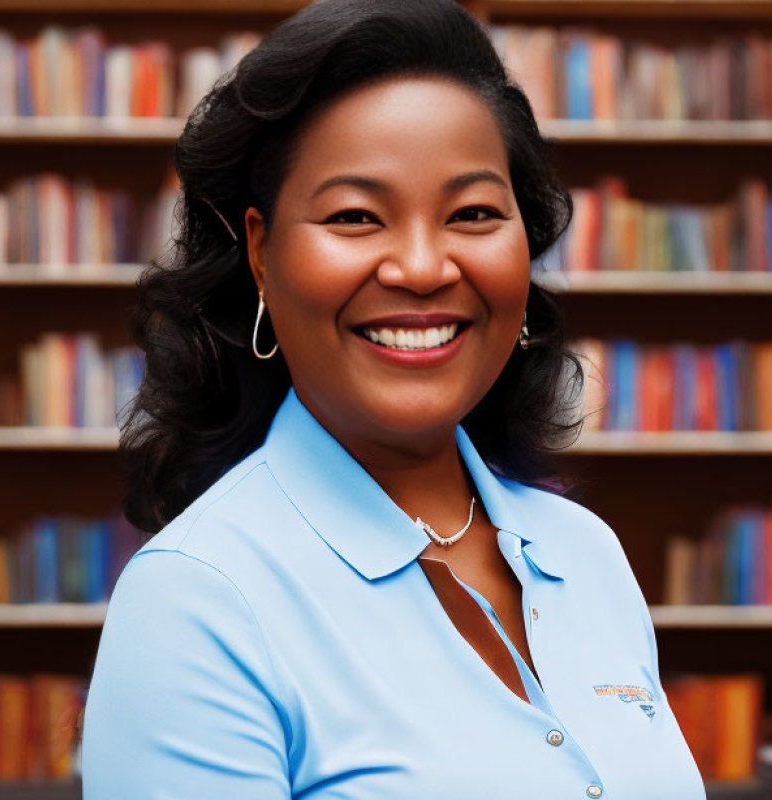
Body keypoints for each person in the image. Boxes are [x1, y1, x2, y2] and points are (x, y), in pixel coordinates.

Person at [81, 1, 705, 797]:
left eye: (474, 213)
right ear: (263, 255)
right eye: (355, 216)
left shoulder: (585, 554)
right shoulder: (200, 599)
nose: (420, 267)